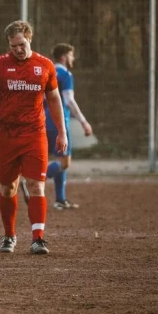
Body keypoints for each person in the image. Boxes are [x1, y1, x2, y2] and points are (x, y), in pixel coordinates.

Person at [0, 20, 68, 255]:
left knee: (36, 185)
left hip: (34, 134)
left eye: (21, 44)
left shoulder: (45, 65)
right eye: (13, 45)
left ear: (30, 39)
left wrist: (62, 131)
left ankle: (38, 238)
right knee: (8, 188)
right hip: (5, 136)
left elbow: (55, 99)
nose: (17, 49)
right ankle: (9, 236)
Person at [30, 43, 92, 210]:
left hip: (42, 121)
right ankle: (33, 184)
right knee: (64, 162)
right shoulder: (65, 75)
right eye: (71, 55)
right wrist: (84, 122)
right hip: (59, 122)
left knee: (58, 159)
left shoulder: (45, 72)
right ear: (64, 57)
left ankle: (60, 198)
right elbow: (69, 101)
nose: (73, 59)